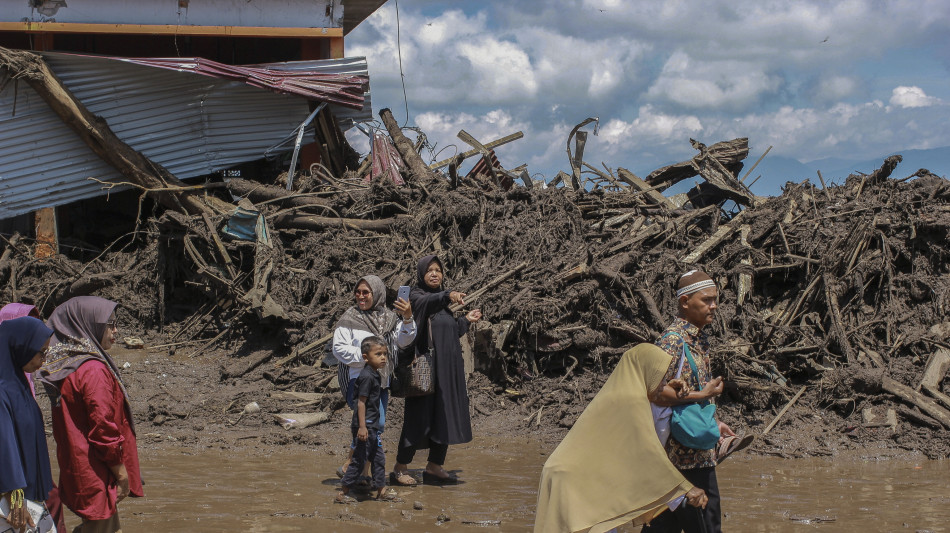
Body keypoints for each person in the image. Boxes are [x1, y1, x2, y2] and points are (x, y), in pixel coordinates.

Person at [534, 344, 708, 533]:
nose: (663, 384)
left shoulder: (623, 392)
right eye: (660, 377)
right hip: (573, 482)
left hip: (572, 476)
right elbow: (646, 455)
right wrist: (684, 490)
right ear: (646, 371)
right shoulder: (632, 401)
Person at [643, 270, 753, 533]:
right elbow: (655, 393)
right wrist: (704, 395)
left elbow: (688, 395)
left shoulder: (697, 339)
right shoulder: (672, 342)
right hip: (683, 456)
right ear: (685, 302)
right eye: (706, 300)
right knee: (707, 525)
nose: (714, 306)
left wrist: (715, 422)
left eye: (715, 300)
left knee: (662, 525)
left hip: (694, 450)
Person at [39, 296, 143, 533]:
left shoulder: (66, 367)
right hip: (95, 470)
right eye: (110, 324)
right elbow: (103, 428)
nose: (116, 331)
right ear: (89, 325)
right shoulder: (93, 370)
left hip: (77, 466)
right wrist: (121, 472)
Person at [391, 255, 481, 486]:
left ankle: (434, 466)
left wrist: (465, 321)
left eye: (438, 270)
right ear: (421, 274)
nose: (434, 274)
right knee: (417, 419)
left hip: (448, 373)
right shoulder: (417, 298)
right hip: (426, 371)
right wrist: (447, 294)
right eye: (429, 270)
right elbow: (427, 306)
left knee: (444, 417)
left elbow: (447, 334)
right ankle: (400, 467)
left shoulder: (443, 308)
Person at [331, 275, 416, 478]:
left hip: (383, 381)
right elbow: (338, 349)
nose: (361, 296)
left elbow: (404, 341)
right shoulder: (349, 318)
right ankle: (358, 471)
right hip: (360, 380)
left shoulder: (390, 318)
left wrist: (407, 318)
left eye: (365, 292)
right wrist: (366, 358)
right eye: (358, 292)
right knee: (373, 425)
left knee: (373, 426)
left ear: (376, 294)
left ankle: (356, 469)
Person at [0, 303, 67, 533]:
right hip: (13, 498)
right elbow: (4, 445)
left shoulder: (20, 385)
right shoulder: (2, 390)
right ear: (21, 347)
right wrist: (14, 495)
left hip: (29, 496)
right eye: (41, 352)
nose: (44, 359)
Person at [335, 336, 398, 503]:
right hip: (365, 426)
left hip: (372, 426)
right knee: (359, 459)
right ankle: (344, 493)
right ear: (365, 357)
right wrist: (362, 427)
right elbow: (360, 403)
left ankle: (381, 491)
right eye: (378, 354)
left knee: (378, 458)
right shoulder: (367, 376)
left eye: (385, 354)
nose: (383, 357)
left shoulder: (375, 375)